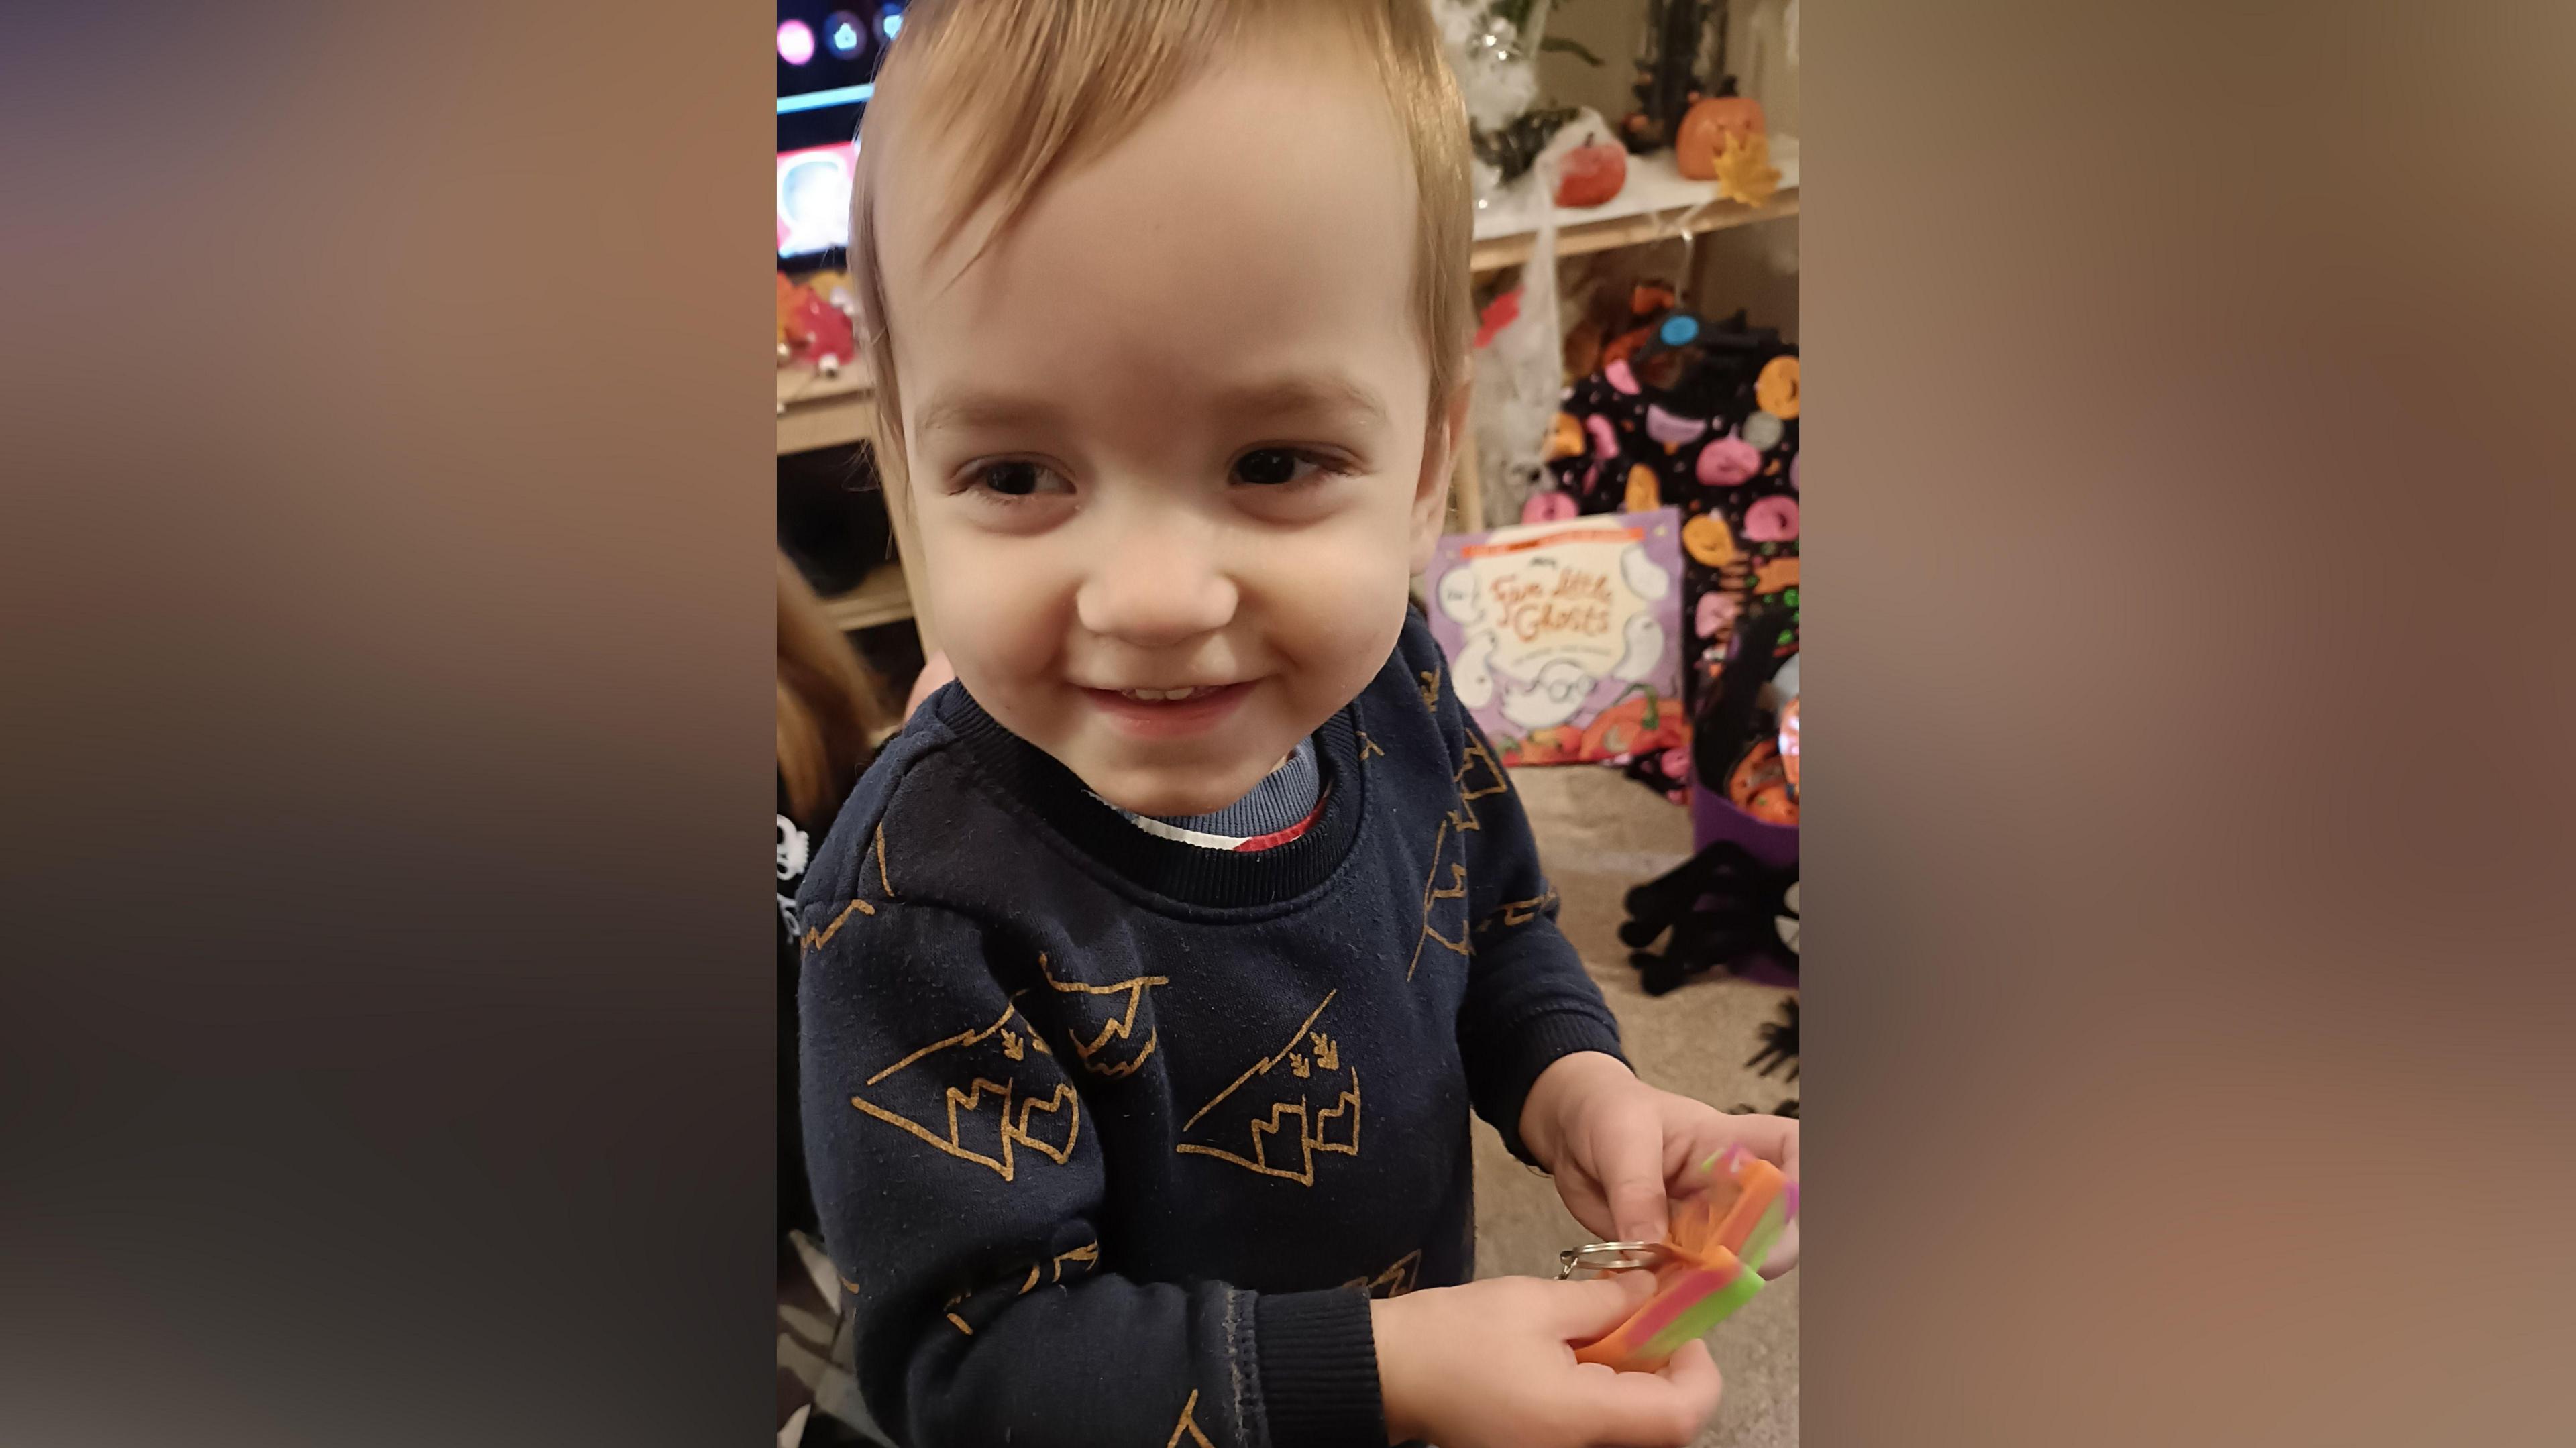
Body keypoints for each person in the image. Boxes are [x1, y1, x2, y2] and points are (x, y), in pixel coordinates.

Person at [794, 5, 1798, 1446]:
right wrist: (1391, 1367)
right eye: (1016, 472)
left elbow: (1498, 924)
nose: (1151, 597)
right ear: (901, 465)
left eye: (1273, 462)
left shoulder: (1389, 691)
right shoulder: (913, 912)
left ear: (1423, 465)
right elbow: (976, 1375)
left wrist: (1582, 1091)